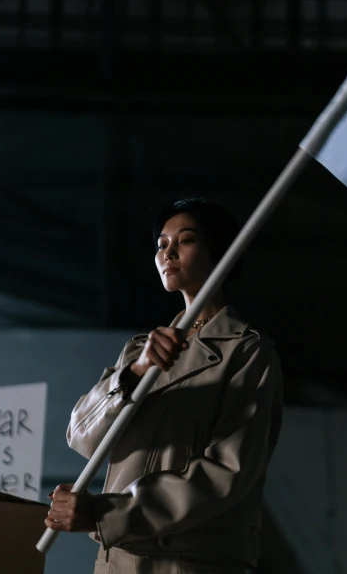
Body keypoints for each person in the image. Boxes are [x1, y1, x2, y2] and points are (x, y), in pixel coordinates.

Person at [45, 198, 283, 573]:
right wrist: (135, 372)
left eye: (185, 240)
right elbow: (81, 436)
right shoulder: (140, 351)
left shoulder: (248, 352)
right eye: (161, 244)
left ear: (219, 251)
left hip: (195, 562)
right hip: (117, 560)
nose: (167, 252)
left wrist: (106, 513)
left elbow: (226, 473)